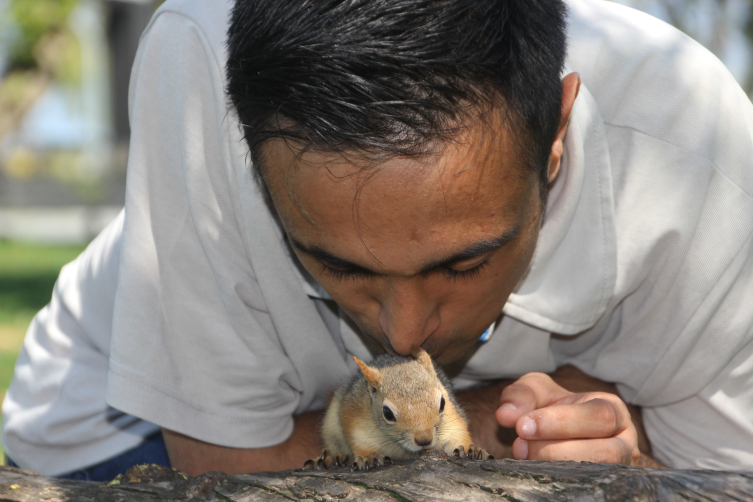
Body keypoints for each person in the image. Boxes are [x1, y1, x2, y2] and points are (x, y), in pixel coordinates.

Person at [3, 0, 753, 480]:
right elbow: (221, 468)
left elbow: (717, 480)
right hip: (116, 441)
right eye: (333, 262)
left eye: (463, 262)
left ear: (554, 136)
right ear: (250, 152)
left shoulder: (692, 152)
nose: (402, 332)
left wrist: (633, 462)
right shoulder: (197, 66)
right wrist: (488, 425)